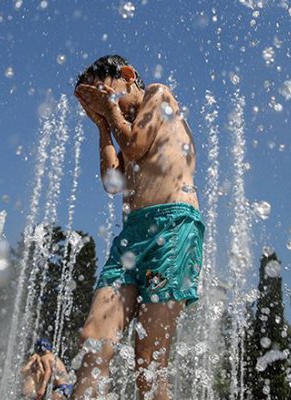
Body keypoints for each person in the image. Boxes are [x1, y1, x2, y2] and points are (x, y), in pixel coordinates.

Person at [72, 55, 204, 400]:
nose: (105, 102)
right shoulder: (123, 125)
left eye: (105, 91)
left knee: (148, 363)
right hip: (132, 235)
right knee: (94, 341)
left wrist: (110, 111)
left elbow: (134, 145)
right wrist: (103, 125)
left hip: (172, 227)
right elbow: (111, 182)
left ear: (128, 76)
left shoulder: (158, 95)